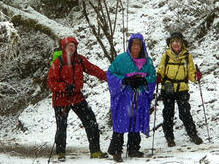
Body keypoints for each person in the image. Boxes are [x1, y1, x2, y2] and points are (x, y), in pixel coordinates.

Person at [47, 36, 108, 161]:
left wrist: (108, 77)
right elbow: (51, 82)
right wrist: (64, 87)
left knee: (90, 121)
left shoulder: (80, 60)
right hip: (61, 99)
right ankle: (60, 153)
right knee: (62, 126)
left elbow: (93, 69)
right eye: (69, 45)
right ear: (64, 47)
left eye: (73, 46)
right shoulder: (58, 62)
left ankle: (95, 151)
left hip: (76, 97)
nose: (72, 48)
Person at [107, 33, 156, 162]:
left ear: (142, 46)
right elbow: (110, 73)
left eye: (138, 45)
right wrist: (124, 81)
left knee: (135, 121)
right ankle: (116, 150)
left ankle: (133, 148)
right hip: (124, 97)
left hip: (139, 97)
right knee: (121, 122)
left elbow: (152, 76)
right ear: (129, 45)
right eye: (133, 44)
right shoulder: (121, 59)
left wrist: (145, 81)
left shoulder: (148, 61)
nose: (135, 47)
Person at [157, 32, 203, 147]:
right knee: (168, 114)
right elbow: (161, 70)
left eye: (178, 41)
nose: (176, 44)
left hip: (182, 88)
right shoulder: (166, 56)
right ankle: (169, 138)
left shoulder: (187, 56)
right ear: (170, 43)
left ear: (182, 43)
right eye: (173, 41)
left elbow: (191, 74)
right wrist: (158, 77)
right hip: (167, 88)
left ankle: (193, 134)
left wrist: (196, 76)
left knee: (185, 113)